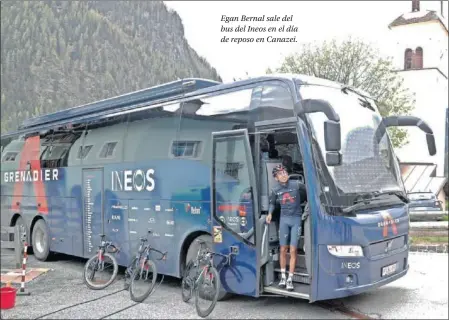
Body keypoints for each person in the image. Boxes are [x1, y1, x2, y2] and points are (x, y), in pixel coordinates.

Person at [266, 164, 307, 291]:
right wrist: (269, 213)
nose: (283, 175)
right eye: (280, 174)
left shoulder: (297, 184)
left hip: (296, 219)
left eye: (284, 172)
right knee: (283, 249)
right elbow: (272, 203)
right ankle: (283, 277)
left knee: (293, 250)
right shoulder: (275, 189)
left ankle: (290, 279)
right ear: (276, 178)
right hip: (284, 220)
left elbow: (306, 195)